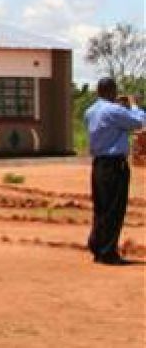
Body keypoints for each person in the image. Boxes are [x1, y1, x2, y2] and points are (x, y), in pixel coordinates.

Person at [83, 77, 145, 265]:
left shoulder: (90, 111)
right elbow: (138, 123)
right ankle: (108, 252)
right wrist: (134, 105)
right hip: (114, 165)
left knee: (101, 207)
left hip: (99, 164)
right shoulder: (114, 110)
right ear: (112, 91)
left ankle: (97, 246)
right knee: (114, 208)